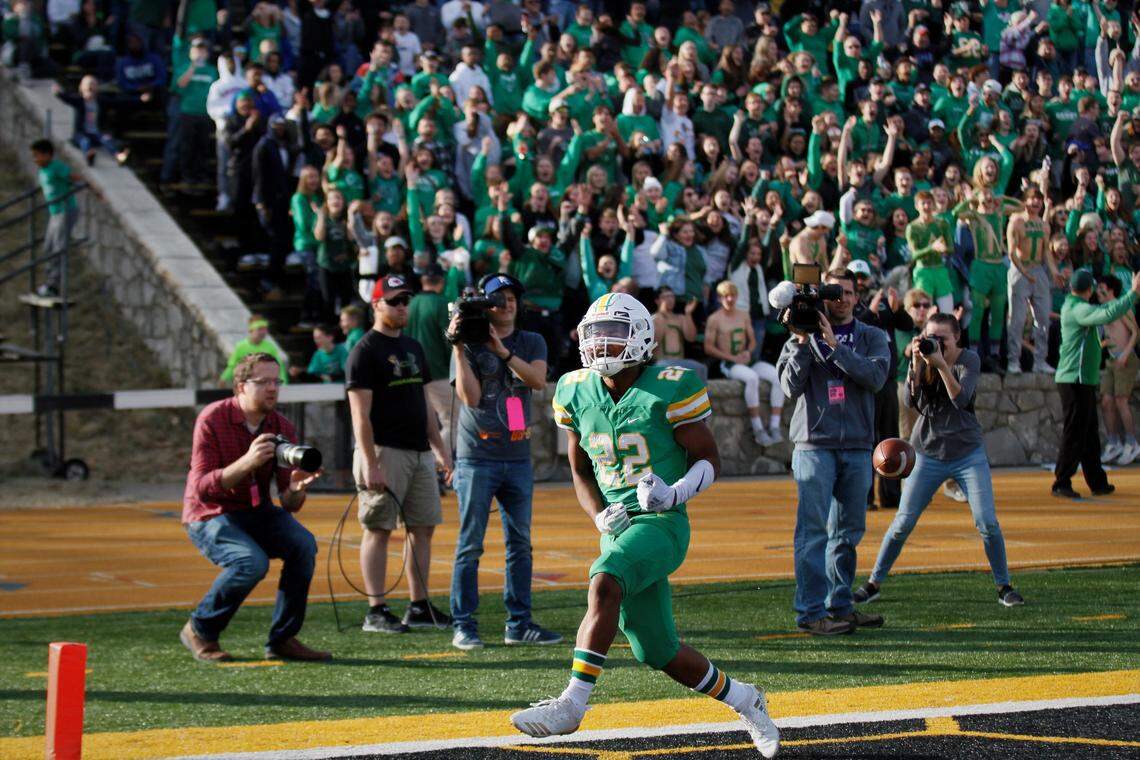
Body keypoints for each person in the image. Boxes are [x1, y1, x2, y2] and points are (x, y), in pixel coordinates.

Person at [509, 292, 780, 758]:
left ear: (641, 338)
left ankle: (572, 704)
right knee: (656, 650)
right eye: (595, 334)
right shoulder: (576, 389)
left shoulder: (670, 385)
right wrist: (597, 513)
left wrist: (674, 493)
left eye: (614, 334)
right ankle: (746, 698)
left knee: (604, 581)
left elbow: (709, 459)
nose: (601, 345)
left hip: (663, 521)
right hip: (616, 525)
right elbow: (579, 471)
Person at [854, 313, 1025, 608]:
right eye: (931, 337)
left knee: (987, 522)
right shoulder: (922, 359)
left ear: (956, 337)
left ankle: (1004, 585)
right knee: (901, 523)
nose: (936, 343)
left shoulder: (968, 360)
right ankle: (873, 583)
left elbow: (961, 399)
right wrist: (918, 364)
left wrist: (942, 365)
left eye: (942, 338)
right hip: (927, 453)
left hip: (967, 454)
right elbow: (908, 403)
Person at [181, 352, 328, 662]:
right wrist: (248, 461)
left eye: (277, 381)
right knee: (251, 562)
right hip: (210, 512)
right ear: (240, 386)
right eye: (263, 382)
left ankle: (283, 639)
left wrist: (297, 488)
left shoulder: (281, 426)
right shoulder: (213, 418)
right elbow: (202, 488)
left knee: (303, 545)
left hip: (255, 510)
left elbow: (289, 504)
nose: (272, 388)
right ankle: (200, 629)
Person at [448, 273, 561, 650]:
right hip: (477, 457)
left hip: (516, 456)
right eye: (498, 298)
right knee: (470, 544)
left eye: (512, 297)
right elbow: (470, 397)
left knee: (520, 544)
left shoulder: (531, 340)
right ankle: (464, 624)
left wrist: (502, 352)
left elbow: (537, 381)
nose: (507, 303)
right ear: (485, 303)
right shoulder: (468, 344)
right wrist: (458, 344)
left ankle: (519, 623)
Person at [776, 269, 890, 635]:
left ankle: (839, 605)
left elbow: (875, 379)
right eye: (834, 292)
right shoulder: (799, 336)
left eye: (848, 292)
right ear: (822, 297)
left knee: (848, 531)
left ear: (858, 297)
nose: (841, 298)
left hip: (857, 445)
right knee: (812, 532)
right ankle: (810, 613)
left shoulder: (871, 336)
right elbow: (790, 386)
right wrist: (802, 342)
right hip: (813, 445)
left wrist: (836, 347)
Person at [345, 275, 454, 634]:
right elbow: (359, 415)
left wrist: (441, 451)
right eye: (394, 301)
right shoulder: (364, 350)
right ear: (376, 304)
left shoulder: (413, 346)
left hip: (419, 451)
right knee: (378, 528)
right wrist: (371, 462)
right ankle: (376, 609)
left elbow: (424, 405)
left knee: (422, 529)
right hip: (385, 450)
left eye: (405, 300)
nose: (402, 307)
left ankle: (418, 605)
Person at [1051, 269, 1140, 499]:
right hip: (1075, 379)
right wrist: (1133, 294)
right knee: (1074, 432)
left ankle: (1097, 482)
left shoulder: (1075, 306)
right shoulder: (1077, 309)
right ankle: (1061, 481)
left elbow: (1104, 311)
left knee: (1089, 432)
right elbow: (1106, 314)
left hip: (1082, 379)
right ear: (1089, 290)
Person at [704, 281, 783, 446]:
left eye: (732, 295)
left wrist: (748, 351)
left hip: (747, 359)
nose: (730, 299)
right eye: (726, 296)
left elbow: (753, 341)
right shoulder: (714, 319)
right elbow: (708, 347)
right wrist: (732, 358)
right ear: (719, 298)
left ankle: (775, 426)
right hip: (729, 363)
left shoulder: (744, 315)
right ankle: (758, 429)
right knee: (752, 378)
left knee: (777, 376)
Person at [1005, 187, 1060, 374]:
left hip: (1038, 270)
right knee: (1018, 319)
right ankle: (1013, 360)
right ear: (1025, 201)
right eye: (1032, 199)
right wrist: (1024, 272)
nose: (1036, 203)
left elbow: (1046, 252)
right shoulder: (1016, 221)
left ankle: (1040, 361)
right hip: (1020, 270)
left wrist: (1054, 272)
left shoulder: (1044, 225)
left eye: (1038, 199)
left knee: (1043, 318)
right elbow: (1011, 251)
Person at [406, 265, 454, 454]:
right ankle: (437, 465)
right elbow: (449, 340)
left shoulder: (408, 304)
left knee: (420, 422)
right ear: (441, 282)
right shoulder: (442, 303)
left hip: (410, 373)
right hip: (438, 372)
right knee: (452, 421)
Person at [1096, 276, 1140, 466]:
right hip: (1111, 361)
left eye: (1102, 288)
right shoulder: (1102, 310)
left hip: (1125, 360)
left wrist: (1125, 354)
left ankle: (1132, 443)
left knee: (1121, 400)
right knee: (1106, 401)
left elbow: (1136, 331)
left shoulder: (1120, 306)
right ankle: (1114, 442)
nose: (1098, 291)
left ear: (1111, 290)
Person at [30, 139, 77, 297]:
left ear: (48, 154)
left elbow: (73, 177)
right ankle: (50, 283)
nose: (35, 160)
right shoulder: (43, 171)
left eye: (37, 156)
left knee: (58, 248)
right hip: (54, 212)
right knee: (48, 247)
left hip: (65, 210)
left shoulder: (56, 167)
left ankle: (54, 286)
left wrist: (95, 189)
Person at [220, 314, 288, 385]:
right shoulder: (241, 347)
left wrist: (284, 384)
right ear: (251, 330)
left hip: (265, 386)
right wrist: (223, 378)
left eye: (265, 329)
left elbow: (279, 367)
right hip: (246, 386)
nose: (263, 332)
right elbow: (232, 366)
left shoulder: (270, 347)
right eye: (260, 329)